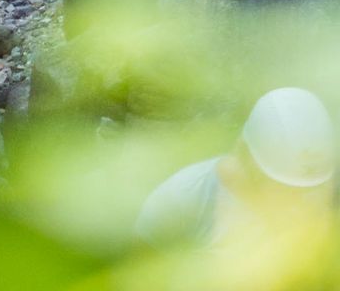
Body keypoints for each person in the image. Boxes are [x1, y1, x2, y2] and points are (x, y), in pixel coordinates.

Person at [139, 89, 336, 243]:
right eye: (284, 187)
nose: (297, 201)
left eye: (309, 190)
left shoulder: (318, 198)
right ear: (249, 160)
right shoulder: (183, 198)